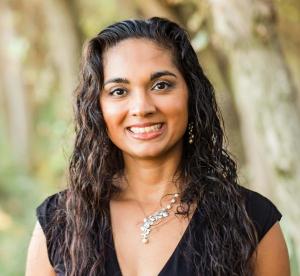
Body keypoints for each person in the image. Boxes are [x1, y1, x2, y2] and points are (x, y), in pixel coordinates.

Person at [25, 17, 290, 276]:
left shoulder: (253, 221)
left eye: (161, 85)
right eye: (119, 91)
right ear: (97, 107)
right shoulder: (59, 222)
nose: (142, 108)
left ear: (191, 94)